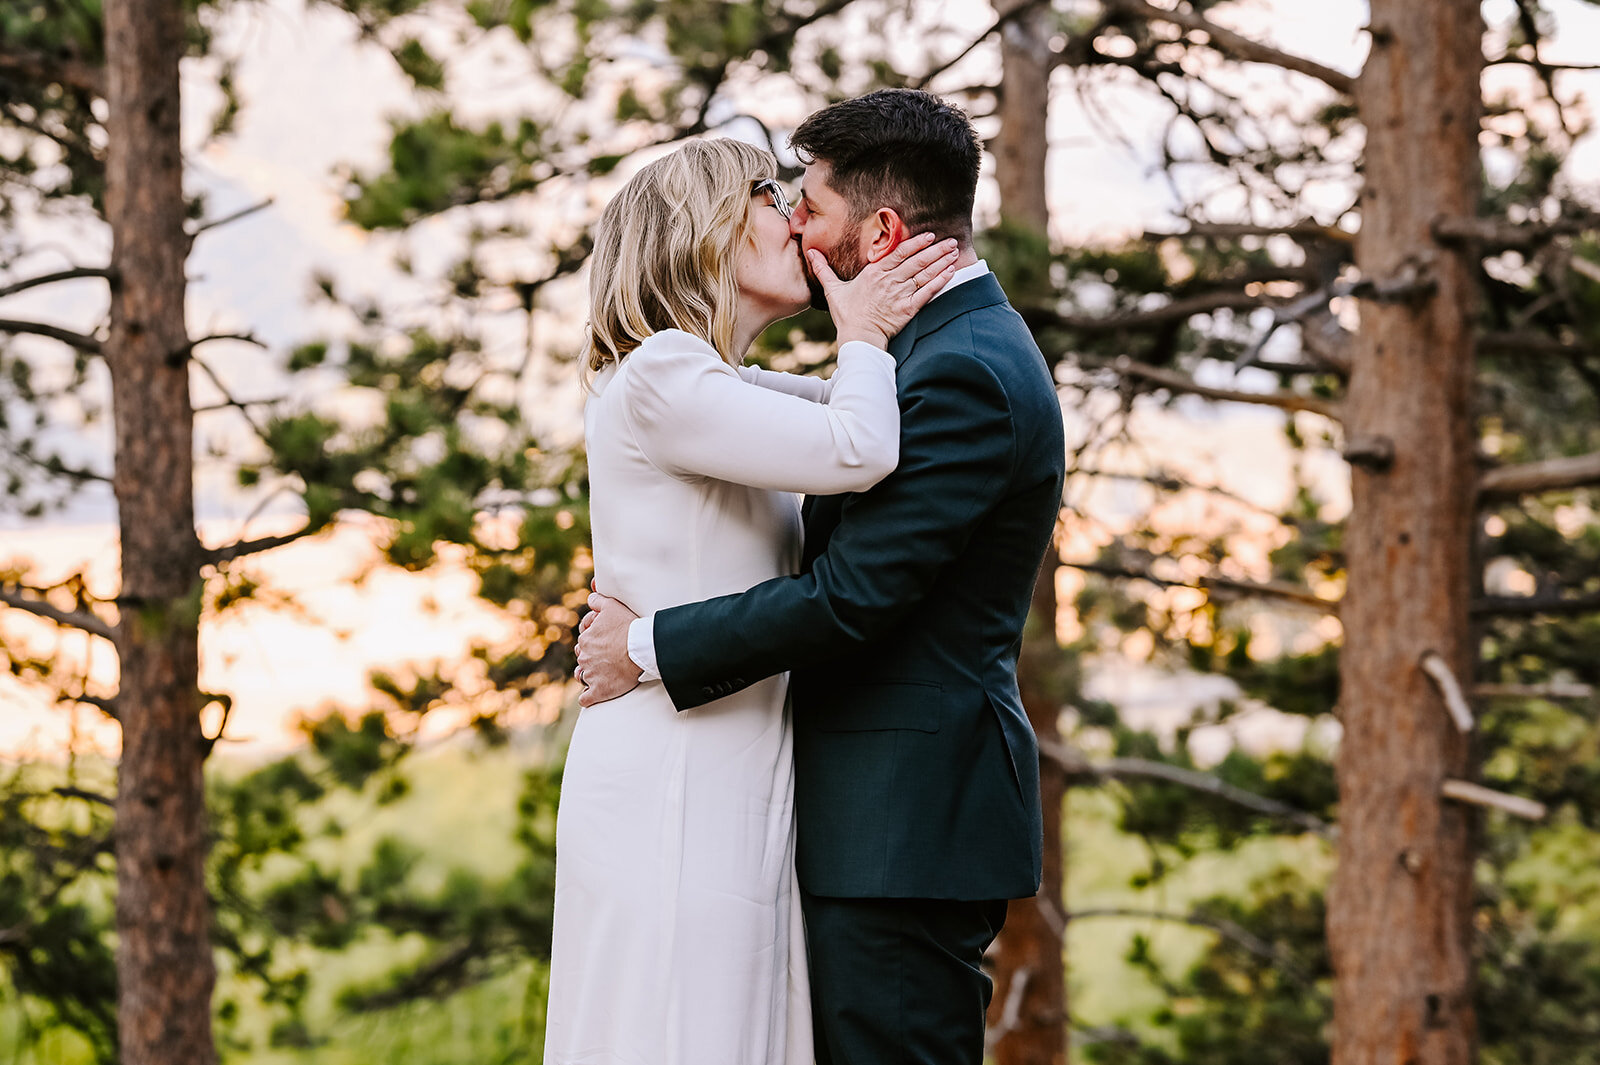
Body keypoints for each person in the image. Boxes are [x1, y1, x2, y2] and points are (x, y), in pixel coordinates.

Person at [576, 90, 1068, 1064]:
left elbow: (854, 598)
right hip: (837, 816)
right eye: (780, 203)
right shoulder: (919, 358)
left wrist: (642, 644)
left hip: (900, 827)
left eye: (811, 205)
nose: (795, 222)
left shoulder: (956, 370)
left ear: (881, 229)